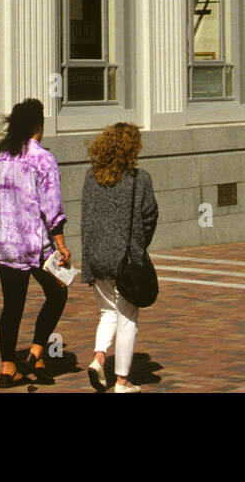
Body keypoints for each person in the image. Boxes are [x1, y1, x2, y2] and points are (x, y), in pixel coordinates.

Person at [0, 98, 70, 389]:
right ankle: (36, 351)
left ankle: (8, 367)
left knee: (11, 306)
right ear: (38, 125)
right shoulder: (42, 159)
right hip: (34, 244)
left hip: (4, 241)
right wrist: (60, 243)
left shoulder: (1, 159)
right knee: (58, 292)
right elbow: (52, 205)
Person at [81, 122, 158, 394]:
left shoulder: (91, 178)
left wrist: (88, 258)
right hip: (125, 260)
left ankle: (99, 358)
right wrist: (139, 246)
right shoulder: (140, 179)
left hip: (97, 257)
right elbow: (150, 217)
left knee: (107, 312)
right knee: (127, 318)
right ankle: (122, 382)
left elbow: (86, 220)